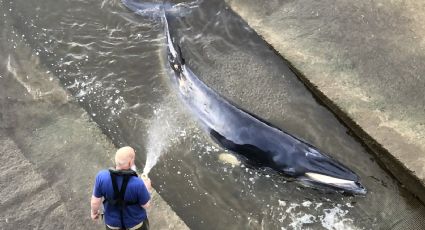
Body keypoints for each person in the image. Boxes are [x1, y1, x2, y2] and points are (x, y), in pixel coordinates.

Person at [91, 146, 152, 230]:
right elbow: (146, 205)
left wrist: (94, 212)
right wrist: (147, 189)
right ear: (130, 163)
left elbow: (95, 201)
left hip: (112, 224)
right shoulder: (138, 183)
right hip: (135, 224)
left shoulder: (101, 177)